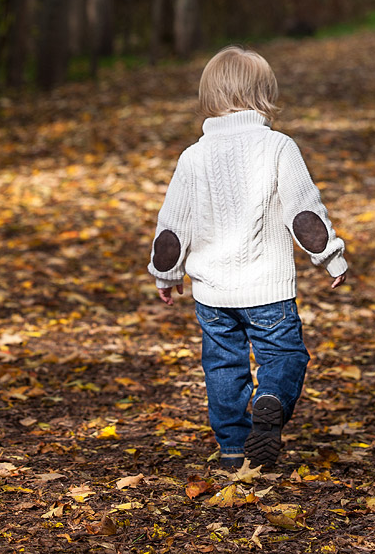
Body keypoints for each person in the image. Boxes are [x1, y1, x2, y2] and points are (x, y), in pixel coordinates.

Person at [147, 46, 348, 471]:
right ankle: (271, 397)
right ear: (263, 95)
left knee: (223, 366)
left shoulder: (193, 156)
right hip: (267, 288)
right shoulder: (277, 146)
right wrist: (329, 255)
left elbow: (173, 224)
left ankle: (234, 449)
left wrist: (166, 273)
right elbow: (303, 211)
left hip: (212, 293)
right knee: (285, 356)